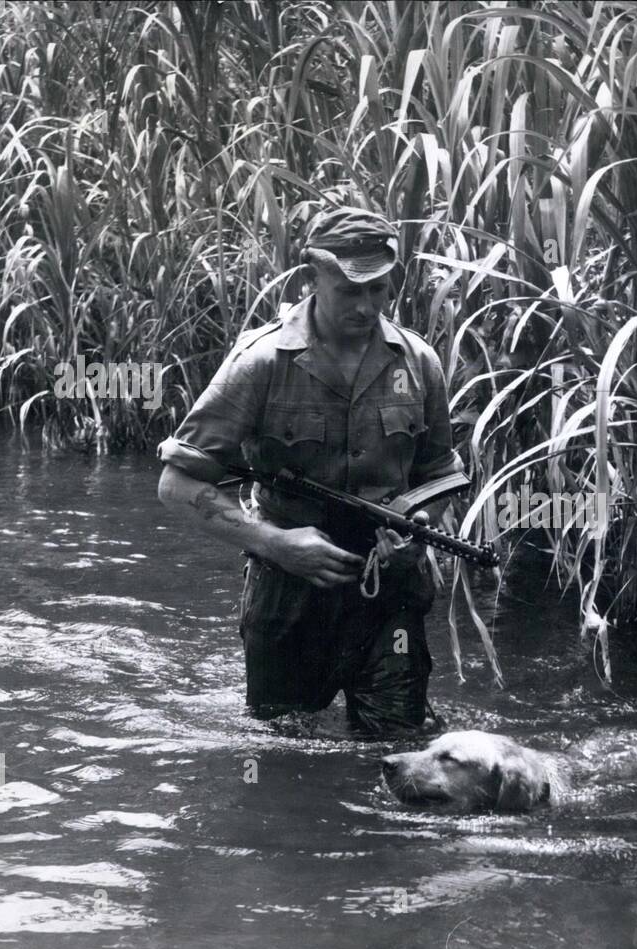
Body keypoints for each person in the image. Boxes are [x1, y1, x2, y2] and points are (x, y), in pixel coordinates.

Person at [155, 206, 464, 733]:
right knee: (282, 759)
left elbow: (440, 472)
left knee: (396, 755)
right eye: (350, 290)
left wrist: (417, 525)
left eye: (380, 291)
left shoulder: (419, 362)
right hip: (288, 597)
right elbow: (177, 484)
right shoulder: (260, 363)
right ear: (311, 278)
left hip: (389, 596)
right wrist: (274, 544)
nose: (367, 307)